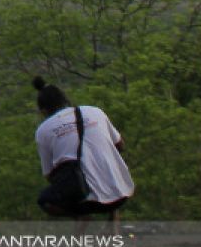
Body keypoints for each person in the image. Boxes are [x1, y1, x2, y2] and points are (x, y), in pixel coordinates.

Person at [34, 76, 133, 220]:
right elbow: (120, 145)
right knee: (107, 159)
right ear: (66, 100)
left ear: (43, 111)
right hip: (121, 194)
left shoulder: (43, 130)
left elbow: (49, 175)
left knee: (45, 201)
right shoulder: (95, 112)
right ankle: (113, 219)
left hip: (87, 202)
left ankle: (81, 216)